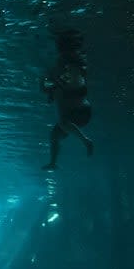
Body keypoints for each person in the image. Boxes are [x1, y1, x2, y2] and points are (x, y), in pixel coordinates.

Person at [40, 29, 94, 169]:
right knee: (54, 136)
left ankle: (86, 141)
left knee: (63, 123)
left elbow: (76, 82)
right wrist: (47, 84)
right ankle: (53, 163)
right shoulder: (61, 68)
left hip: (80, 113)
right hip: (72, 112)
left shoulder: (73, 68)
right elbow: (47, 88)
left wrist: (53, 84)